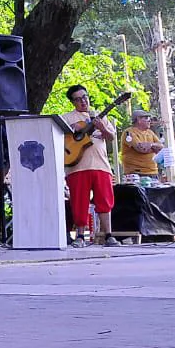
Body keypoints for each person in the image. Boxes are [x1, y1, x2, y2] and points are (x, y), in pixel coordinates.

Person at [61, 85, 117, 247]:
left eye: (84, 97)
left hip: (101, 165)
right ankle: (80, 236)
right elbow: (60, 137)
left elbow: (111, 137)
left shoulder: (100, 117)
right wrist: (73, 128)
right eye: (78, 99)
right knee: (79, 201)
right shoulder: (67, 117)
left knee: (105, 201)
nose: (83, 101)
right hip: (77, 166)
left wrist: (102, 127)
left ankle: (108, 235)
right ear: (73, 102)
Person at [120, 110, 163, 178]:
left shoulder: (150, 132)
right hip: (135, 174)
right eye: (146, 118)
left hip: (153, 172)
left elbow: (161, 148)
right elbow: (141, 149)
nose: (149, 120)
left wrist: (151, 145)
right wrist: (154, 149)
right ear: (138, 120)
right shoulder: (129, 132)